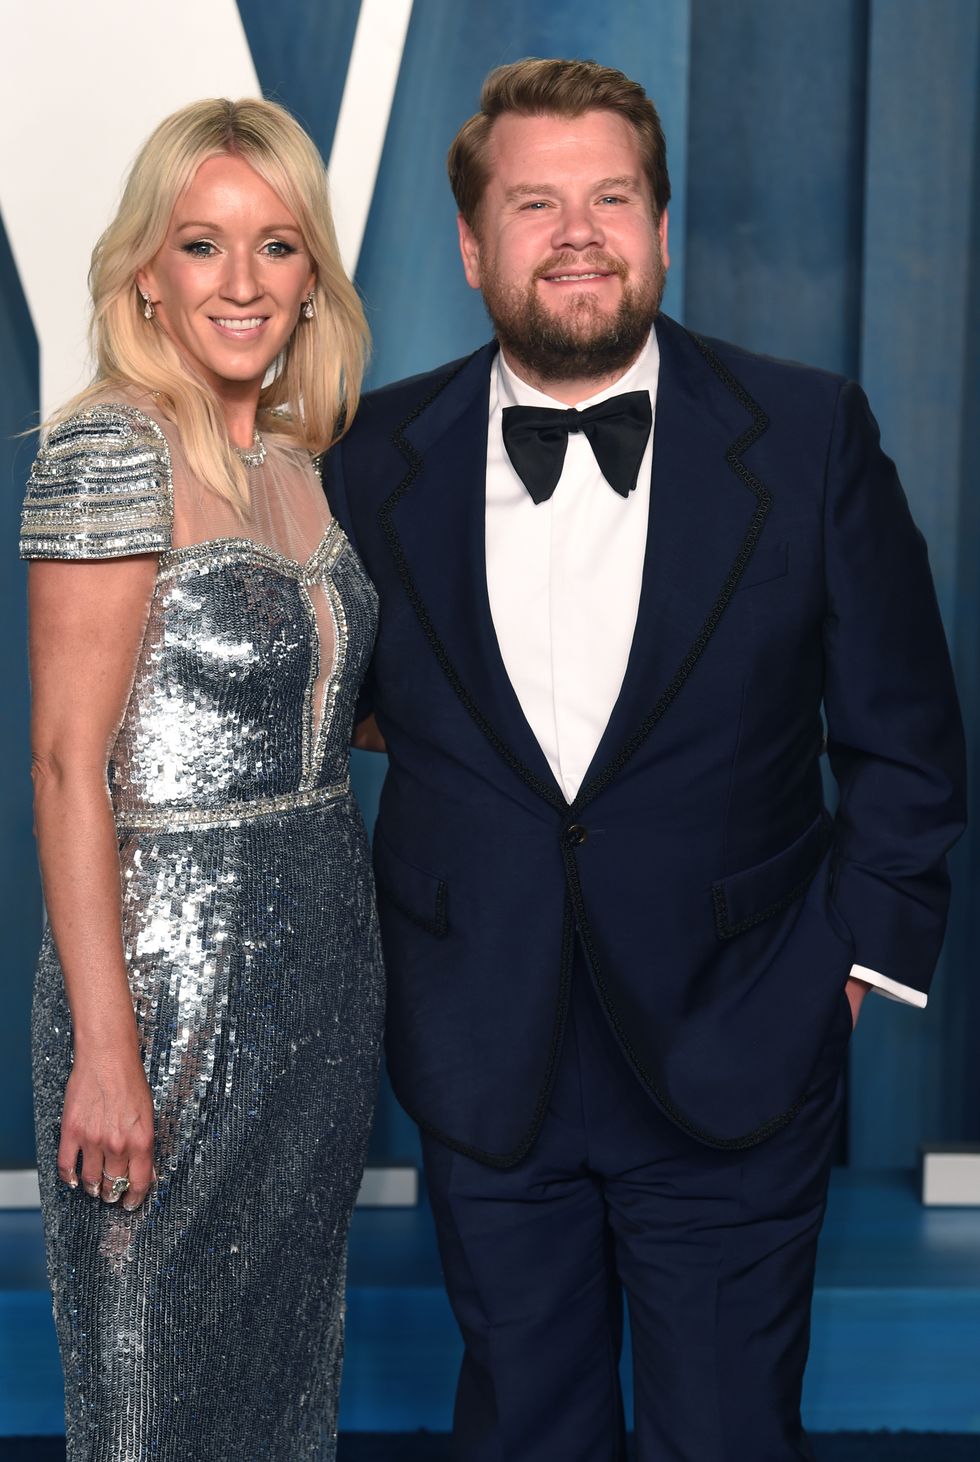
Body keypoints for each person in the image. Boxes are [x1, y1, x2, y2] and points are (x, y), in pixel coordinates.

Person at [325, 58, 967, 1461]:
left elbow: (907, 739)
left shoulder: (806, 437)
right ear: (470, 240)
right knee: (523, 1432)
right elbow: (347, 702)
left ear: (662, 226)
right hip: (484, 1041)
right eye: (535, 201)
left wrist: (847, 972)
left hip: (742, 1031)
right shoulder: (372, 456)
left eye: (611, 197)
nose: (576, 233)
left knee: (728, 1434)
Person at [21, 97, 383, 1461]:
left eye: (277, 246)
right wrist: (107, 1054)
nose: (243, 282)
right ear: (146, 277)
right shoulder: (110, 452)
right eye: (203, 245)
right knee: (151, 1383)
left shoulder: (291, 466)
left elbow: (320, 703)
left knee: (286, 1368)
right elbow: (66, 762)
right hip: (167, 982)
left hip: (322, 979)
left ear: (310, 278)